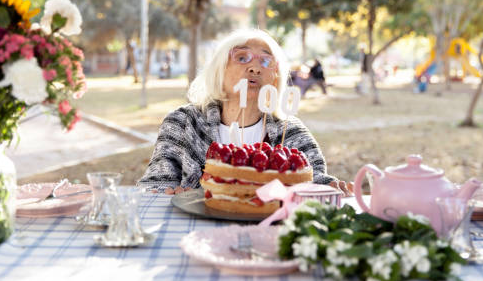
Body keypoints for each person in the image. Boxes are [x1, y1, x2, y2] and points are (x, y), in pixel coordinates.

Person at [138, 29, 352, 195]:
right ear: (220, 70)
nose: (255, 68)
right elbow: (156, 184)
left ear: (275, 77)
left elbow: (313, 180)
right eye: (242, 58)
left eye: (266, 61)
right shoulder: (183, 122)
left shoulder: (290, 130)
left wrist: (332, 186)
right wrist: (169, 191)